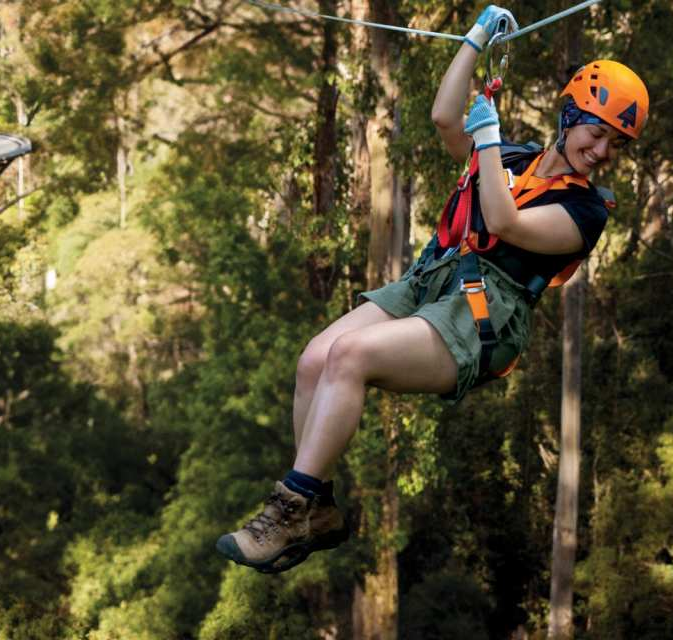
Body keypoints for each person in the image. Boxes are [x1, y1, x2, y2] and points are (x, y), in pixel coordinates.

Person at [215, 4, 649, 574]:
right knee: (314, 359)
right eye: (598, 134)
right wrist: (475, 38)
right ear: (569, 117)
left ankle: (290, 506)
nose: (602, 152)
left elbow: (504, 223)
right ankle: (315, 507)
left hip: (485, 317)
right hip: (436, 279)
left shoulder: (585, 209)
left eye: (615, 145)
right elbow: (447, 117)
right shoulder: (516, 155)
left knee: (350, 357)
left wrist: (488, 137)